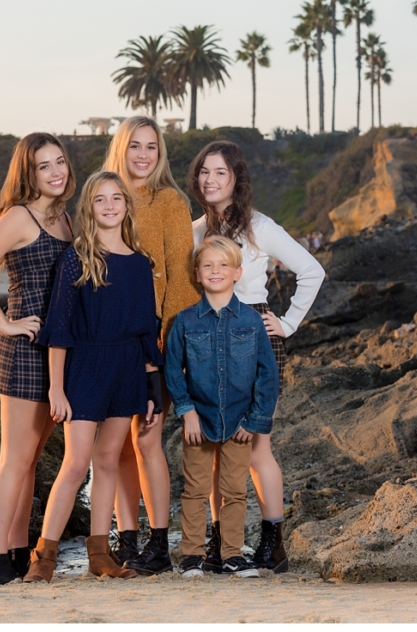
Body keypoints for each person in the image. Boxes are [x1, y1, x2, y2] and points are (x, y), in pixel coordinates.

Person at [188, 140, 325, 574]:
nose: (211, 180)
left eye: (221, 173)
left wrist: (287, 323)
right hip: (210, 341)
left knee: (255, 447)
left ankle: (272, 544)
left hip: (254, 335)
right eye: (205, 172)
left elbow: (311, 270)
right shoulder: (194, 230)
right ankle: (219, 544)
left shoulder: (258, 226)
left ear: (236, 179)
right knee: (214, 445)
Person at [22, 171, 163, 582]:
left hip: (127, 371)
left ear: (125, 205)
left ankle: (101, 556)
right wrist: (56, 388)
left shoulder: (140, 264)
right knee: (75, 463)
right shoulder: (77, 259)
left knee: (107, 462)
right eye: (100, 200)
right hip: (84, 368)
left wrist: (151, 388)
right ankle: (43, 559)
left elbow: (145, 332)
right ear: (89, 208)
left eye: (116, 198)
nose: (109, 206)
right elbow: (59, 329)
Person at [0, 132, 75, 585]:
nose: (55, 171)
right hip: (25, 352)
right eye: (44, 165)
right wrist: (4, 323)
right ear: (29, 173)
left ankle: (15, 551)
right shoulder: (18, 217)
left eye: (60, 162)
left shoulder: (67, 220)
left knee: (31, 459)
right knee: (14, 458)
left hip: (59, 352)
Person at [100, 116, 200, 575]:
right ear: (121, 148)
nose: (143, 155)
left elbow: (181, 277)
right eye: (135, 146)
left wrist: (167, 350)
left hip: (151, 341)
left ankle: (159, 545)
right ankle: (128, 543)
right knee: (118, 446)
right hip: (107, 342)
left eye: (152, 148)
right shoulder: (105, 198)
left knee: (147, 441)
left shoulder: (170, 201)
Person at [165, 235, 279, 578]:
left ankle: (231, 553)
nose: (216, 271)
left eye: (223, 265)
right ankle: (192, 555)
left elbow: (267, 375)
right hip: (198, 420)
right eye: (208, 266)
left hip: (240, 421)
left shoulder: (252, 322)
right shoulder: (185, 322)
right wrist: (187, 413)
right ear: (197, 274)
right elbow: (173, 369)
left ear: (237, 273)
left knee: (234, 490)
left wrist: (255, 420)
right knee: (195, 489)